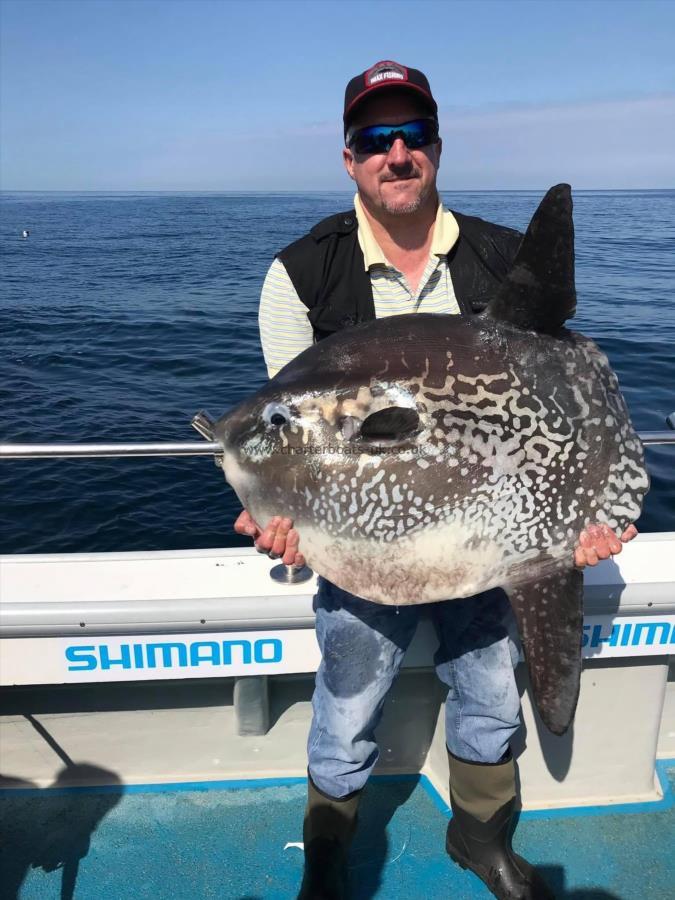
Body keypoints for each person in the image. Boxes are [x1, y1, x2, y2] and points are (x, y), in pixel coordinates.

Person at [235, 60, 637, 900]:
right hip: (361, 548)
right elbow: (292, 434)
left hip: (493, 530)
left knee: (491, 691)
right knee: (346, 703)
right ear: (349, 158)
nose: (396, 153)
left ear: (437, 147)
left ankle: (478, 837)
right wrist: (281, 518)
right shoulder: (300, 274)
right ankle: (328, 852)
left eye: (412, 134)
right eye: (374, 139)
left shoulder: (497, 255)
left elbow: (563, 389)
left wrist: (588, 514)